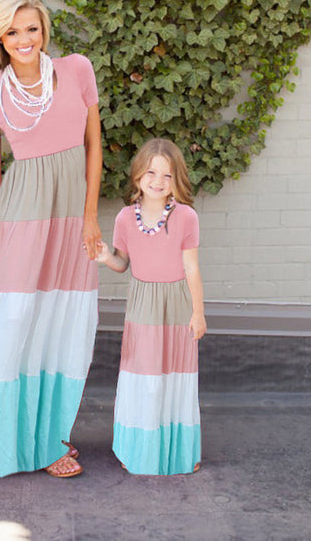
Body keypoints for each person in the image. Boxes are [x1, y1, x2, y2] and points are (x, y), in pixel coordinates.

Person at [0, 0, 102, 485]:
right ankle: (9, 438)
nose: (23, 39)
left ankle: (50, 438)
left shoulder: (77, 70)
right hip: (18, 218)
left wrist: (89, 217)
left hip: (68, 219)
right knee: (15, 320)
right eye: (12, 31)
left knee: (61, 325)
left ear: (44, 31)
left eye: (32, 29)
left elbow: (93, 148)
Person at [97, 138, 206, 475]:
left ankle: (179, 449)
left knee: (175, 376)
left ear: (177, 179)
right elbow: (122, 263)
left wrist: (198, 313)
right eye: (151, 172)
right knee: (143, 376)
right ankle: (140, 449)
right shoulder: (125, 219)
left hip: (176, 304)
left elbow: (191, 268)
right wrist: (105, 257)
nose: (158, 181)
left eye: (167, 175)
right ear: (138, 175)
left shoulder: (186, 217)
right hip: (143, 306)